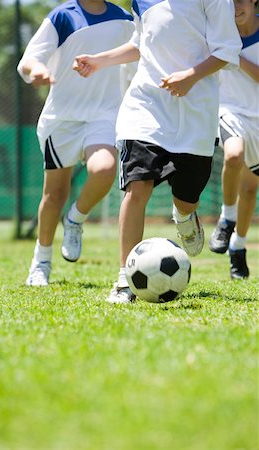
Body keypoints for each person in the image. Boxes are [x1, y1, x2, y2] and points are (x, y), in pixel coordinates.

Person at [73, 0, 242, 303]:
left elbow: (226, 50)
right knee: (137, 188)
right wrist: (99, 60)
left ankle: (184, 215)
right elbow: (140, 44)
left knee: (186, 199)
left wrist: (191, 75)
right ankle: (125, 280)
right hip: (146, 107)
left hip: (195, 115)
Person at [17, 0, 134, 286]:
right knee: (54, 194)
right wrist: (37, 72)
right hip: (62, 119)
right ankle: (41, 262)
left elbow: (141, 55)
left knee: (104, 170)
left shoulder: (125, 19)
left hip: (104, 115)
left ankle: (75, 219)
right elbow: (30, 58)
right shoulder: (62, 16)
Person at [209, 0, 259, 279]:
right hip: (230, 111)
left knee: (251, 191)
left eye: (241, 0)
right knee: (233, 155)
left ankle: (237, 248)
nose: (235, 7)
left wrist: (234, 56)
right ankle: (227, 217)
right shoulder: (218, 29)